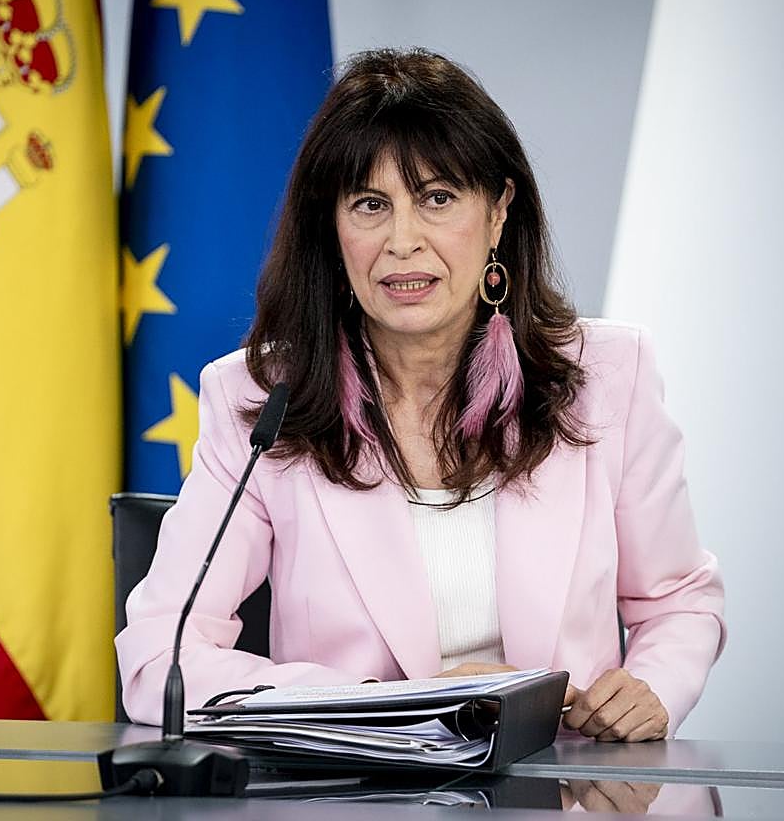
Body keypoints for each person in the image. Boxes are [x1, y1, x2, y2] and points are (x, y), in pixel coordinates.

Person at [116, 48, 725, 742]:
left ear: (498, 212)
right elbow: (155, 658)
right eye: (371, 205)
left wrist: (652, 690)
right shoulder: (261, 400)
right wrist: (391, 705)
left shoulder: (608, 375)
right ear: (333, 229)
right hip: (347, 794)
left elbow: (679, 601)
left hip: (566, 794)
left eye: (437, 199)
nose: (403, 241)